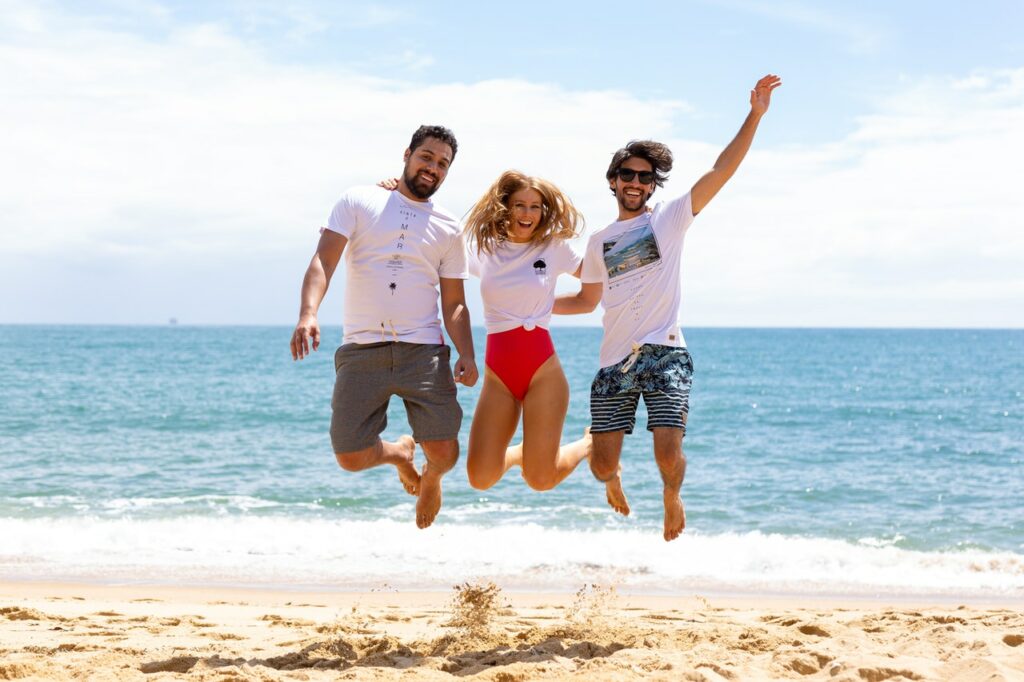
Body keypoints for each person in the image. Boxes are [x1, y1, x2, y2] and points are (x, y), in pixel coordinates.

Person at [555, 75, 782, 541]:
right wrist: (532, 305)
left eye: (644, 177)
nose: (635, 182)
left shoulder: (670, 220)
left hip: (666, 352)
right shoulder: (599, 242)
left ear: (652, 185)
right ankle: (610, 471)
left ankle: (671, 496)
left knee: (666, 454)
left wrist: (754, 115)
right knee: (601, 467)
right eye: (628, 175)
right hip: (614, 360)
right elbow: (585, 299)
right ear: (613, 181)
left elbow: (721, 171)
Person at [290, 124, 478, 529]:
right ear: (407, 154)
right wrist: (308, 313)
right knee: (350, 457)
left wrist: (467, 353)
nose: (433, 168)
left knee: (445, 453)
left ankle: (432, 478)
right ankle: (399, 454)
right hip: (362, 348)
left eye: (443, 164)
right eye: (426, 157)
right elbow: (324, 261)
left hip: (424, 351)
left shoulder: (449, 227)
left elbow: (455, 302)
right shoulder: (359, 200)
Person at [462, 171, 592, 492]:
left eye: (535, 207)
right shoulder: (483, 250)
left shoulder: (553, 248)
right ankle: (522, 452)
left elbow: (594, 281)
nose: (527, 213)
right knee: (480, 478)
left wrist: (634, 244)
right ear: (504, 206)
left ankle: (589, 445)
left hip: (542, 372)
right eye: (520, 204)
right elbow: (434, 260)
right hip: (499, 375)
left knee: (540, 480)